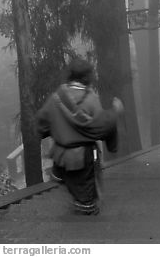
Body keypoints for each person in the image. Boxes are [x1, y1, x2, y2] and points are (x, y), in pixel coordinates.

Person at [36, 57, 123, 215]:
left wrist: (56, 129)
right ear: (86, 77)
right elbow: (99, 126)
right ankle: (84, 228)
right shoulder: (90, 99)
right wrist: (115, 112)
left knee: (71, 185)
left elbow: (42, 122)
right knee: (86, 197)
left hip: (60, 157)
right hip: (83, 157)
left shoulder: (56, 98)